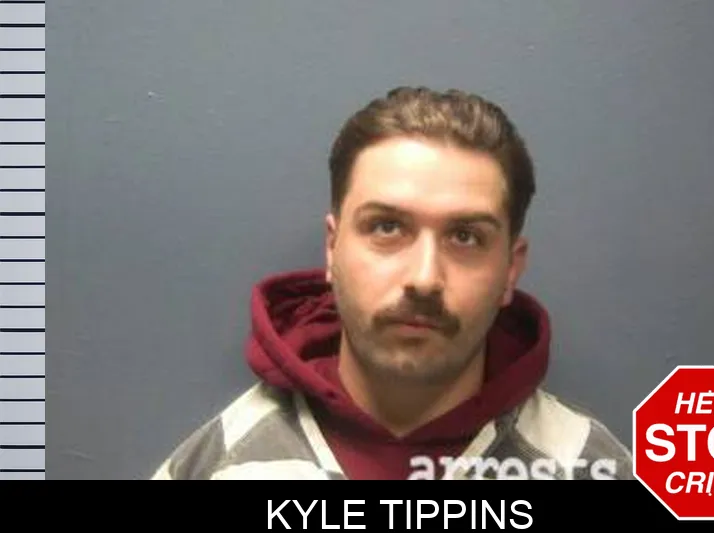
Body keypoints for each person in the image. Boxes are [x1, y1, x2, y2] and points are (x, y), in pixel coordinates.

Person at [151, 86, 633, 480]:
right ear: (332, 248)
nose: (424, 278)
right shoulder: (217, 467)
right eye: (387, 227)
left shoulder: (588, 467)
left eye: (465, 236)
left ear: (510, 268)